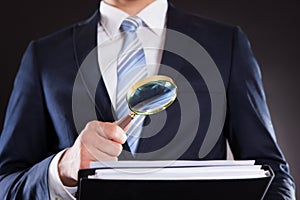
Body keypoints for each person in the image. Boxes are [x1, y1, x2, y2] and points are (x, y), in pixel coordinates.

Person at [0, 0, 296, 199]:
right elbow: (5, 183)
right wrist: (63, 168)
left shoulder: (225, 43)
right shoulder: (44, 55)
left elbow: (273, 172)